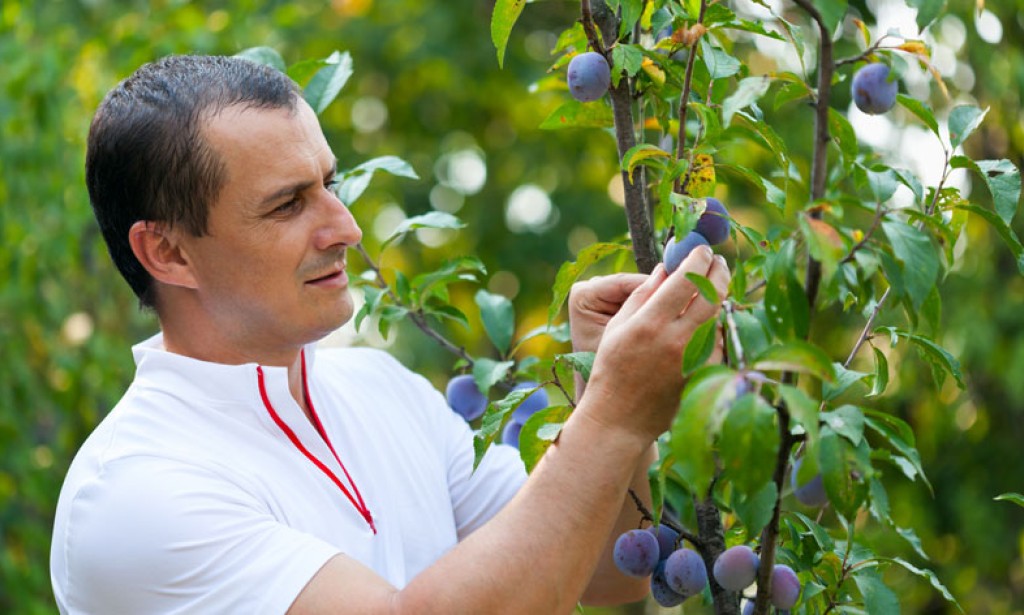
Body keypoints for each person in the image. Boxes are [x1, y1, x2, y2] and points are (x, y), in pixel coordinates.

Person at [50, 54, 731, 614]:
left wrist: (596, 379)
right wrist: (613, 413)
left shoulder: (383, 389)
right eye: (288, 204)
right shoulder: (133, 494)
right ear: (168, 253)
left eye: (330, 183)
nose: (345, 227)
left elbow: (602, 574)